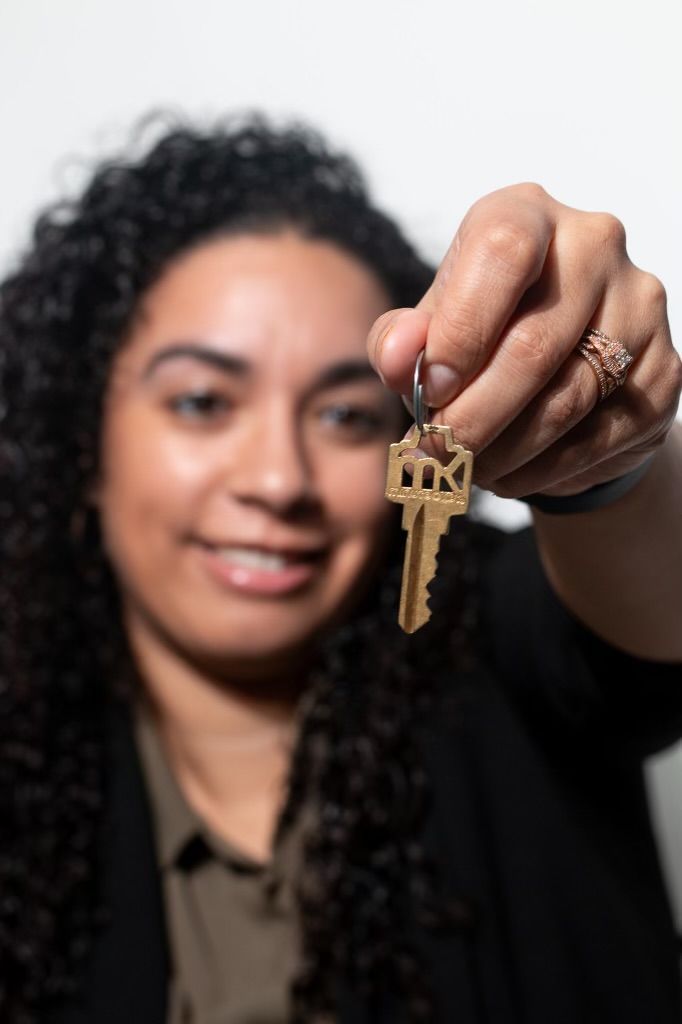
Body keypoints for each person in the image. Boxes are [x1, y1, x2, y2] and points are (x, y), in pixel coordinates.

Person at [0, 116, 680, 1024]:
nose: (279, 480)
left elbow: (644, 618)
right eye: (203, 401)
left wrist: (607, 462)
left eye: (346, 418)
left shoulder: (490, 641)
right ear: (82, 437)